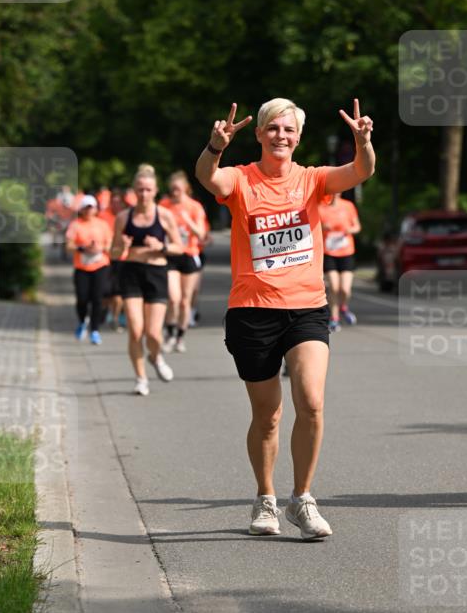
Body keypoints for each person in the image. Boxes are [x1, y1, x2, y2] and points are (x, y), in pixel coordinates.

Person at [195, 97, 375, 538]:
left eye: (289, 130)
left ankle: (303, 498)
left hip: (306, 307)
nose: (281, 136)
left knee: (311, 401)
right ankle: (265, 498)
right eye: (273, 128)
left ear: (298, 137)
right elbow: (208, 178)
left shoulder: (313, 179)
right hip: (252, 311)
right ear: (258, 134)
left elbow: (360, 171)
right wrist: (214, 147)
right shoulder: (241, 180)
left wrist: (362, 141)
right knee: (268, 416)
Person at [111, 165, 183, 395]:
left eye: (148, 190)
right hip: (131, 272)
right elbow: (112, 252)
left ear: (155, 191)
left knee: (153, 333)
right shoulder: (123, 217)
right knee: (135, 330)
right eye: (140, 190)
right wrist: (121, 246)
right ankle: (141, 378)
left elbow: (179, 248)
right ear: (134, 190)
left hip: (156, 273)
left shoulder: (164, 215)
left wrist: (161, 246)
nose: (143, 194)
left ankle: (156, 356)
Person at [160, 171, 208, 353]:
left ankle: (180, 336)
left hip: (189, 254)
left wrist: (188, 221)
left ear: (186, 189)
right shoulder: (164, 206)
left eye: (178, 190)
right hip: (171, 255)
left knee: (185, 300)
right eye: (172, 189)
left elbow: (202, 234)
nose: (174, 193)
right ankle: (169, 333)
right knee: (173, 298)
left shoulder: (195, 207)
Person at [65, 195, 113, 345]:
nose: (89, 210)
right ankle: (82, 321)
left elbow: (110, 245)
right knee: (82, 298)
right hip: (82, 267)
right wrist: (82, 248)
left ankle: (95, 330)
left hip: (100, 265)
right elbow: (68, 246)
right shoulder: (76, 225)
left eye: (92, 207)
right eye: (86, 207)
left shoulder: (103, 225)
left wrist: (100, 248)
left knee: (97, 299)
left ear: (96, 209)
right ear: (82, 209)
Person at [319, 192, 362, 331]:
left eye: (336, 190)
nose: (334, 193)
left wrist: (350, 230)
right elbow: (311, 228)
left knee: (345, 289)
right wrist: (322, 228)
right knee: (334, 287)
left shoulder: (348, 206)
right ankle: (334, 318)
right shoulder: (320, 207)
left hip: (346, 252)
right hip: (329, 252)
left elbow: (357, 226)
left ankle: (343, 307)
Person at [99, 188, 128, 331]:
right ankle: (105, 310)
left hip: (123, 258)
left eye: (118, 202)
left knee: (118, 292)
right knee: (105, 291)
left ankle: (116, 318)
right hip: (106, 257)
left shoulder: (128, 216)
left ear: (123, 203)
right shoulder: (103, 216)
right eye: (113, 202)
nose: (115, 205)